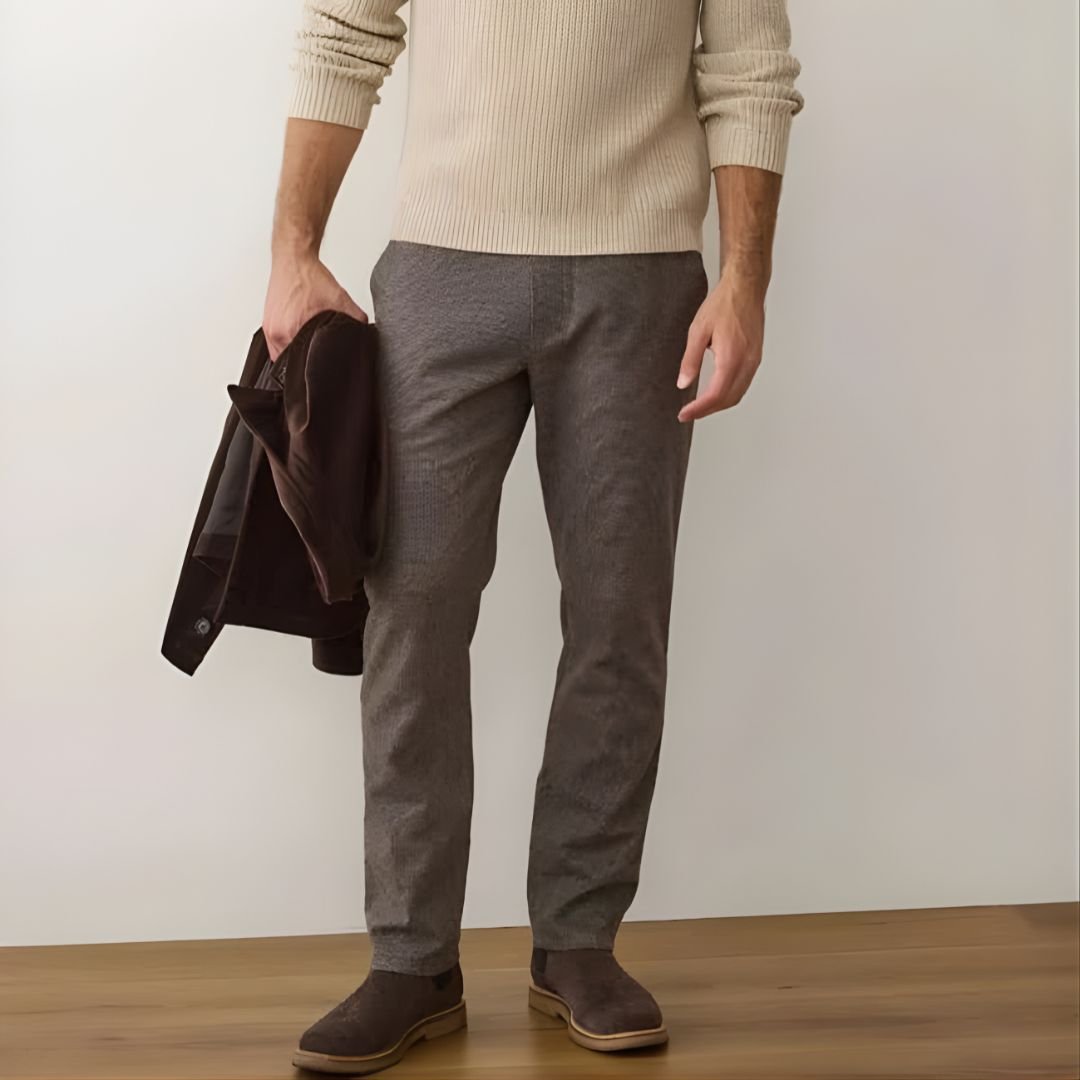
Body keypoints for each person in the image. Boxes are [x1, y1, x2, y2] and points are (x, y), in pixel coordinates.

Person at [265, 1, 804, 1072]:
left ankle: (578, 944)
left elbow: (750, 66)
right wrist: (293, 248)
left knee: (618, 614)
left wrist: (747, 279)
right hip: (439, 276)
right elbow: (342, 30)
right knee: (412, 614)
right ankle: (412, 958)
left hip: (639, 278)